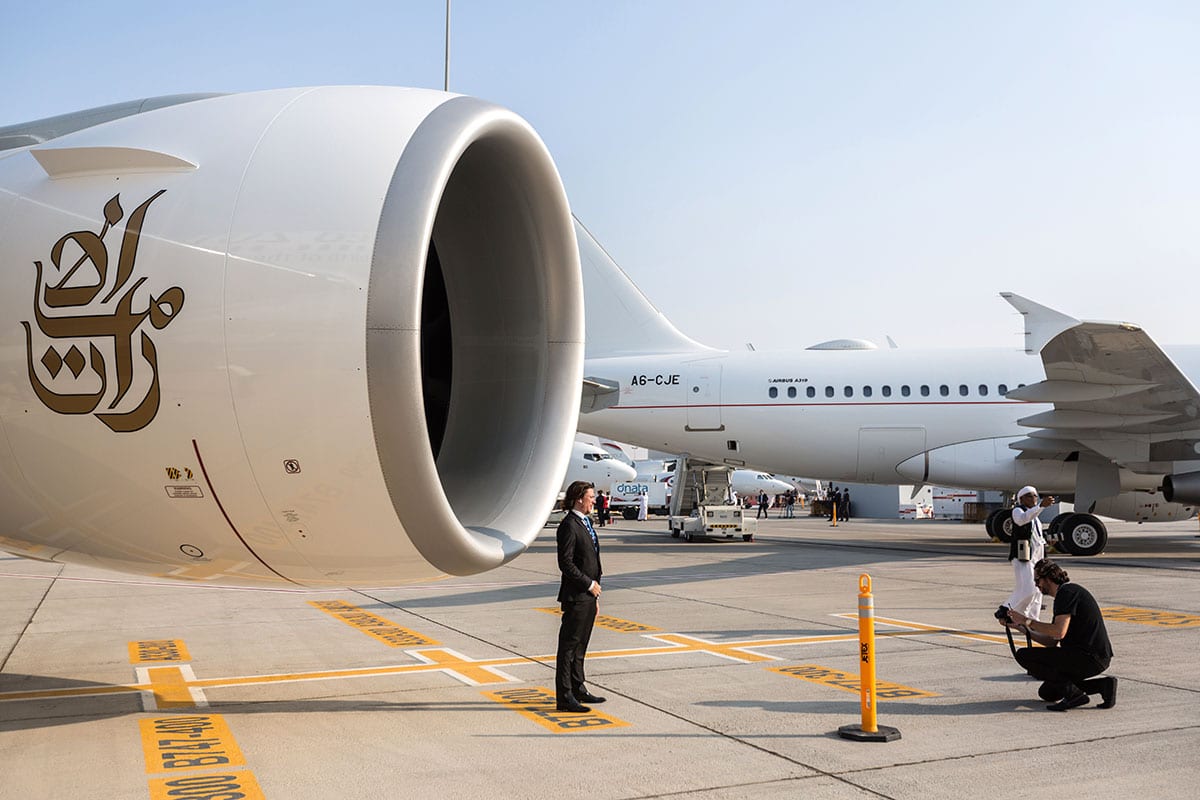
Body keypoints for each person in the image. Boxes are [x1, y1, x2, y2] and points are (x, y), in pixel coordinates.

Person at [1005, 559, 1116, 711]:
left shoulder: (1066, 593)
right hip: (1092, 656)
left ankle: (1074, 695)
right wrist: (1022, 627)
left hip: (1090, 657)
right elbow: (1052, 641)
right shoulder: (1066, 594)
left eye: (1037, 580)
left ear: (1048, 578)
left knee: (1024, 655)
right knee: (1048, 693)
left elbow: (1059, 631)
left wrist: (1026, 620)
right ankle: (1103, 685)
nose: (1037, 585)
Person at [555, 481, 606, 713]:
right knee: (568, 648)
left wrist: (595, 594)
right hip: (577, 595)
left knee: (580, 646)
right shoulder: (569, 525)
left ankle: (578, 688)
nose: (594, 501)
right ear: (579, 499)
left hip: (588, 596)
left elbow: (591, 558)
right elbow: (565, 563)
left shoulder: (585, 523)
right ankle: (564, 696)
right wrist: (589, 584)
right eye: (591, 497)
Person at [1005, 485, 1052, 622]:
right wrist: (1041, 506)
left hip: (1037, 558)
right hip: (1022, 557)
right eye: (1030, 496)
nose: (1034, 498)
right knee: (1028, 590)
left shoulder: (1036, 517)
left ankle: (1033, 620)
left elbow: (1037, 538)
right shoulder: (1017, 511)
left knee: (1038, 591)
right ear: (1021, 499)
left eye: (1035, 496)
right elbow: (1022, 519)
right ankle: (1007, 612)